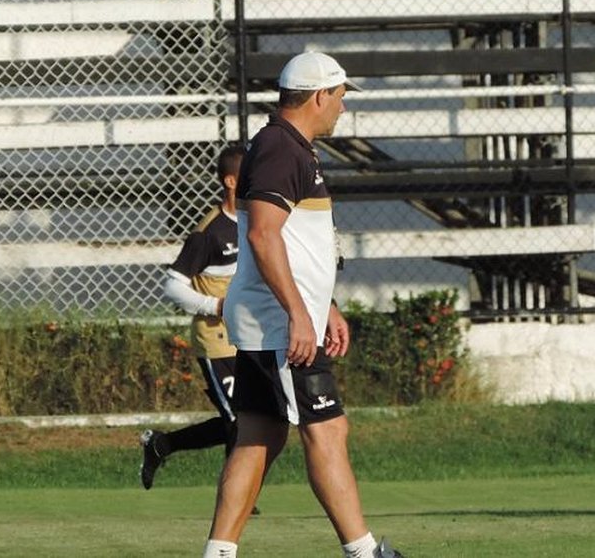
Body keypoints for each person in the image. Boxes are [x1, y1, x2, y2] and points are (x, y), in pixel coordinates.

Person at [201, 51, 403, 558]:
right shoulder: (279, 150)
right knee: (328, 429)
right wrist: (298, 313)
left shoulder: (288, 147)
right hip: (279, 326)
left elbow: (296, 243)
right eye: (339, 97)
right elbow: (265, 237)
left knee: (259, 435)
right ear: (319, 96)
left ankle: (219, 553)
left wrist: (323, 305)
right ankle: (363, 552)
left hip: (278, 320)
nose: (342, 108)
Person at [139, 146, 248, 493]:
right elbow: (173, 285)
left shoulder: (256, 222)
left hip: (249, 336)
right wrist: (214, 306)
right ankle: (238, 493)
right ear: (231, 181)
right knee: (239, 421)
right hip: (217, 341)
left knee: (250, 419)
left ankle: (162, 445)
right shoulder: (210, 233)